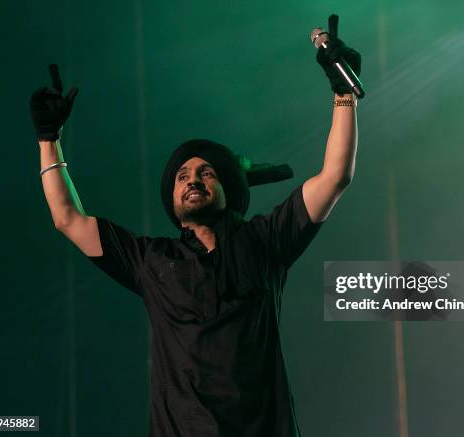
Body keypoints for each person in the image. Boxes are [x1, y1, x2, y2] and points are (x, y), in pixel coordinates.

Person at [31, 14, 360, 437]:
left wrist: (344, 94)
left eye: (206, 173)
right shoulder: (151, 260)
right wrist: (47, 138)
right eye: (183, 176)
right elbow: (67, 218)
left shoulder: (264, 240)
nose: (193, 180)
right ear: (171, 198)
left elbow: (335, 177)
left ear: (227, 187)